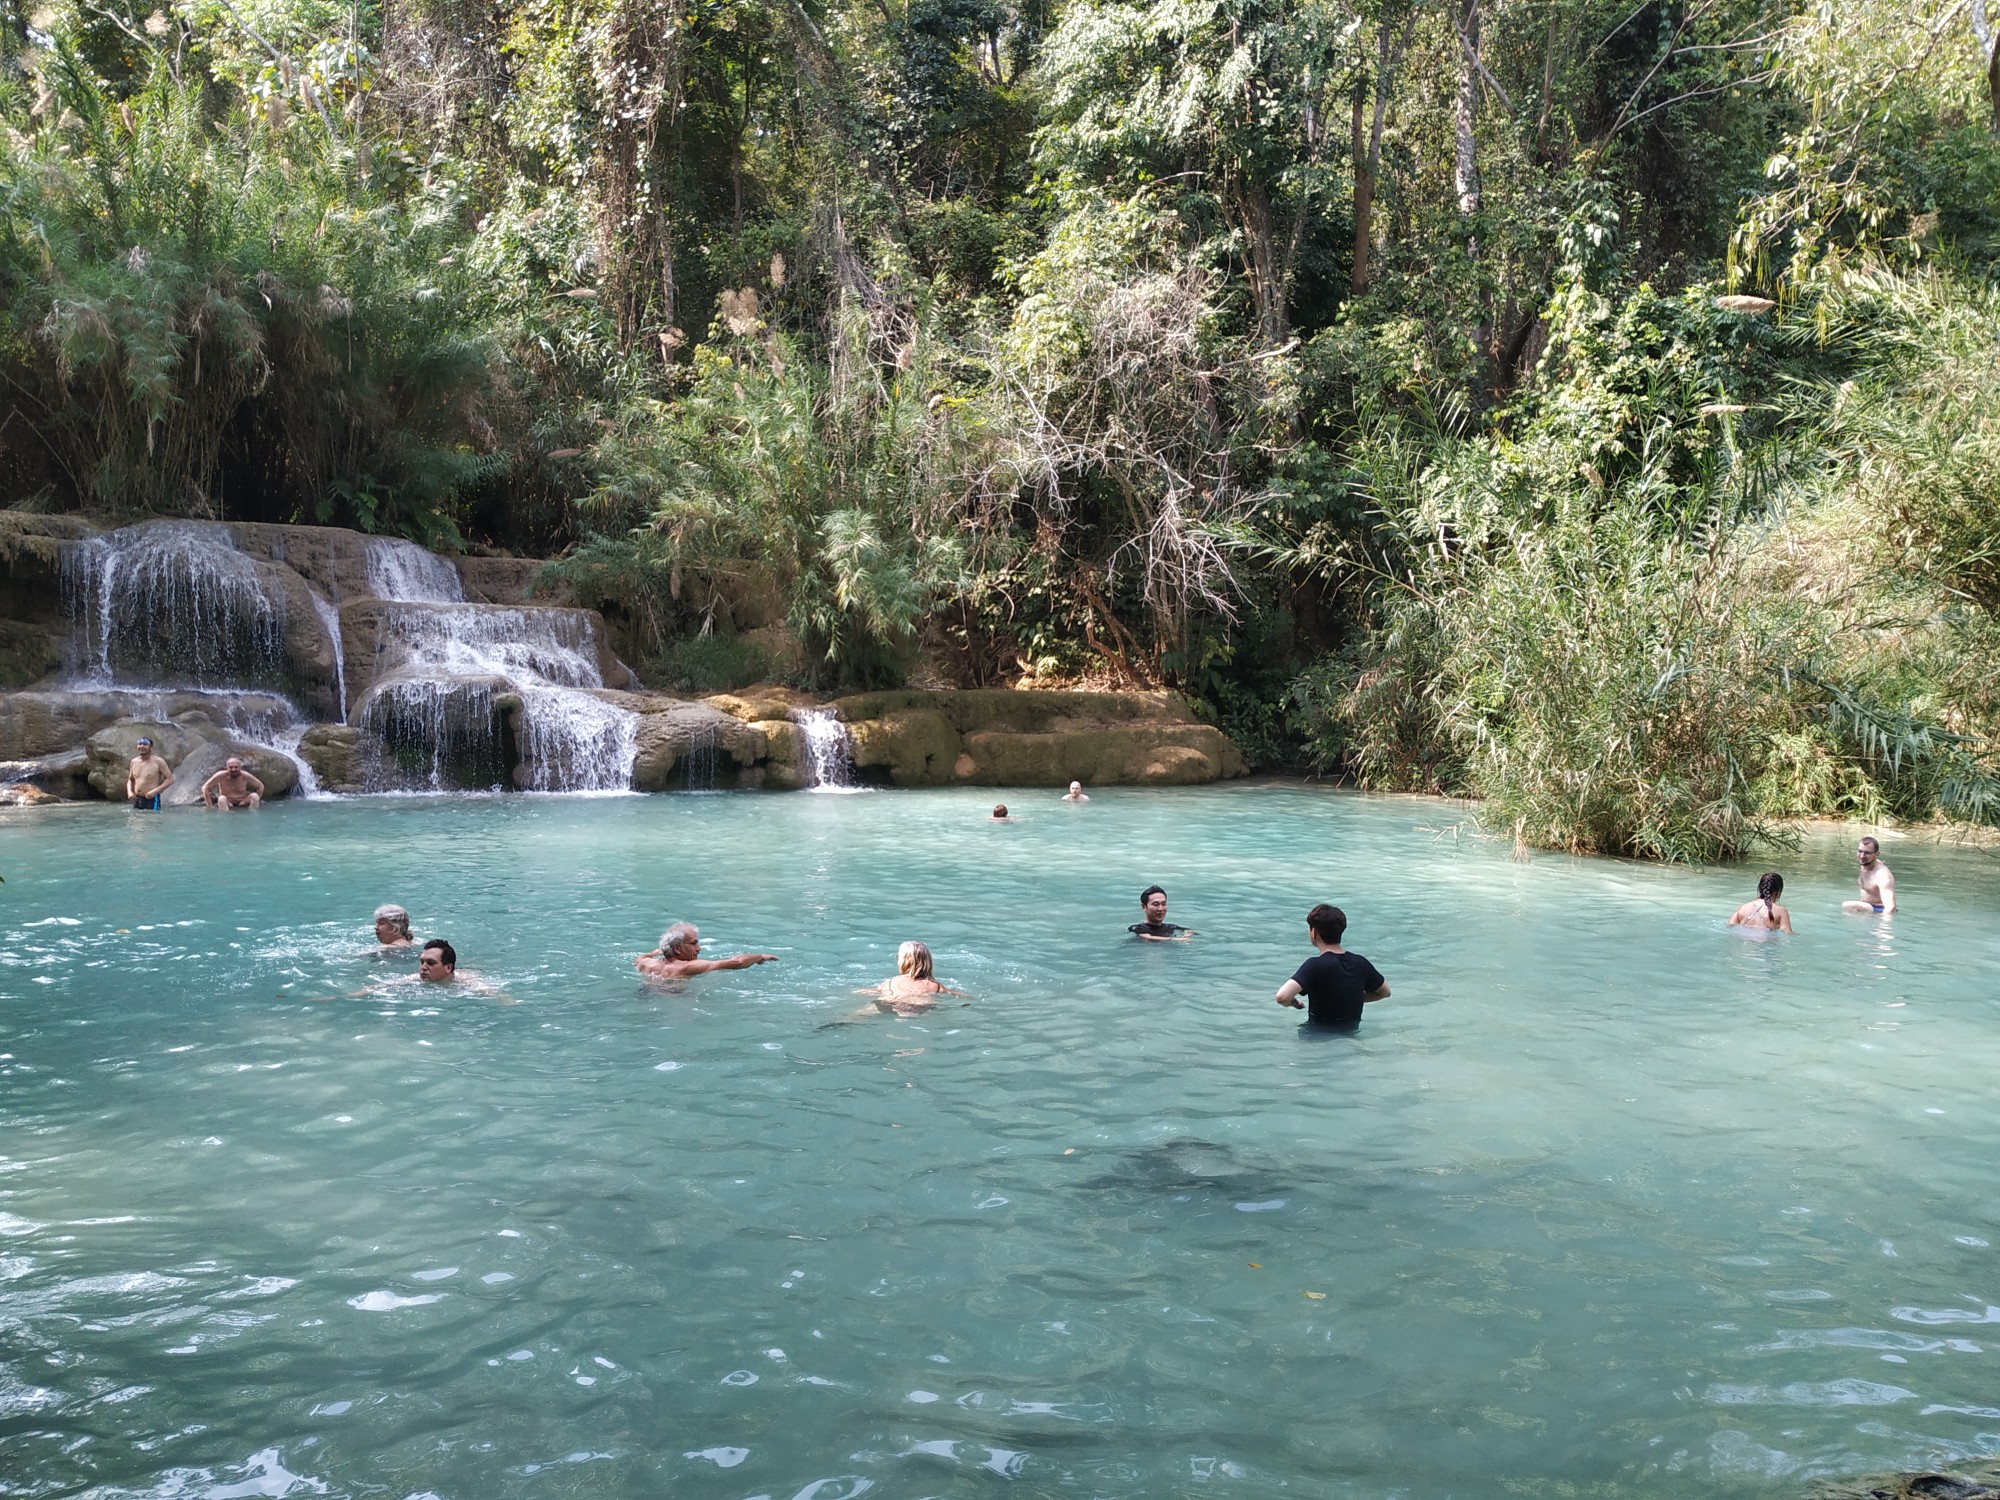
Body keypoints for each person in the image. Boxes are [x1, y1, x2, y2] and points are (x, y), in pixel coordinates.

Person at [1274, 903, 1389, 1031]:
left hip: (1316, 1039)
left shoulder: (1314, 965)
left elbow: (1282, 997)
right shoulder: (1360, 963)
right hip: (1351, 1035)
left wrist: (1293, 1003)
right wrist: (1353, 997)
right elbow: (1386, 992)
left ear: (1314, 932)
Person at [636, 922, 779, 982]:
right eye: (694, 943)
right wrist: (760, 956)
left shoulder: (645, 963)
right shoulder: (686, 967)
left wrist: (653, 953)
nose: (699, 948)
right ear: (678, 949)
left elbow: (641, 956)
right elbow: (737, 962)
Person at [855, 940, 967, 1016]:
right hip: (921, 1008)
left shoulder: (891, 982)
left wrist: (861, 991)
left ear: (904, 962)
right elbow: (956, 994)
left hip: (891, 1005)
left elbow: (876, 991)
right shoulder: (936, 986)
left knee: (861, 1013)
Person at [1843, 838, 1897, 915]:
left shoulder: (1882, 875)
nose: (1862, 856)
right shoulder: (1865, 864)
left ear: (1877, 854)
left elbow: (1891, 907)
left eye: (1867, 853)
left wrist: (1883, 925)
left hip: (1879, 910)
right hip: (1868, 909)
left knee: (1847, 905)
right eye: (1860, 851)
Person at [1730, 872, 1794, 933]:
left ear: (1759, 888)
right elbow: (1787, 934)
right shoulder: (1781, 911)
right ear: (1778, 893)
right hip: (1767, 943)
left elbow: (1730, 927)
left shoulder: (1742, 908)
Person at [1129, 885, 1194, 941]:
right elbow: (1148, 937)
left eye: (1163, 904)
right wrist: (1175, 939)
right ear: (1144, 907)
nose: (1160, 909)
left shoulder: (1170, 927)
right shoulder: (1137, 928)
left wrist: (1186, 936)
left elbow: (1190, 931)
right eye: (1155, 904)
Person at [125, 737, 174, 810]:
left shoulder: (158, 762)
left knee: (152, 820)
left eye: (145, 744)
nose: (142, 746)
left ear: (151, 747)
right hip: (137, 799)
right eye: (140, 744)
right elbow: (130, 779)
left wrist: (155, 791)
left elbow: (170, 779)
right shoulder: (134, 762)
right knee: (136, 820)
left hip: (152, 799)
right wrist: (129, 792)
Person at [200, 756, 264, 810]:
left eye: (236, 767)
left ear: (240, 767)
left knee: (255, 796)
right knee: (221, 799)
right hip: (227, 802)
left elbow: (260, 786)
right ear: (227, 768)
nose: (233, 769)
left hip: (242, 801)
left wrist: (258, 799)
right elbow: (205, 788)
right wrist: (209, 806)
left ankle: (252, 816)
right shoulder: (221, 775)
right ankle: (225, 819)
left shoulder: (244, 775)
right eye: (231, 767)